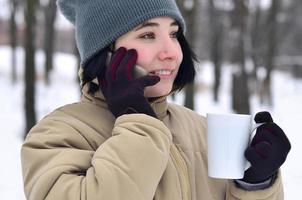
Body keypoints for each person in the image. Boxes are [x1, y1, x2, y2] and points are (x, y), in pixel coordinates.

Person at [21, 0, 291, 199]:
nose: (172, 52)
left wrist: (257, 184)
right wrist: (138, 125)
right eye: (148, 35)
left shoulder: (201, 130)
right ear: (105, 54)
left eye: (173, 34)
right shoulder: (57, 135)